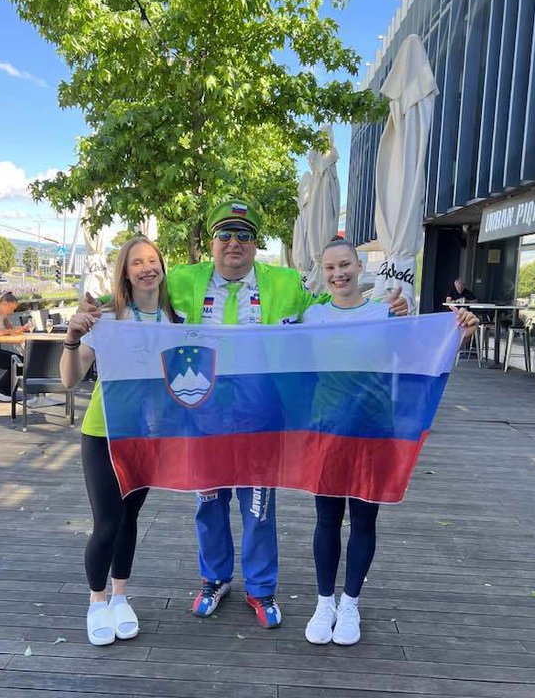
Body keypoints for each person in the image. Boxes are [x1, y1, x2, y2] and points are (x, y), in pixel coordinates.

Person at [303, 239, 479, 646]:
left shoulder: (386, 312)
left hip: (374, 429)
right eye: (329, 268)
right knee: (326, 520)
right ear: (322, 270)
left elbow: (424, 354)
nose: (337, 274)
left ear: (360, 264)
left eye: (344, 265)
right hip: (326, 428)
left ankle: (350, 603)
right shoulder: (312, 315)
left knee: (364, 520)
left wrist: (461, 333)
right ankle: (323, 602)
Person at [166, 199, 324, 628]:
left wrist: (384, 307)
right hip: (203, 410)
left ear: (256, 244)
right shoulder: (182, 279)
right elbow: (135, 297)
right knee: (209, 500)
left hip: (260, 411)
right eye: (225, 234)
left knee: (258, 504)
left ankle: (261, 588)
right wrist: (96, 310)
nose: (234, 243)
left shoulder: (287, 282)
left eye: (244, 235)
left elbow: (330, 305)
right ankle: (214, 579)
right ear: (212, 242)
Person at [60, 236, 177, 646]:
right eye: (137, 262)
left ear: (162, 266)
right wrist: (72, 339)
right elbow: (70, 379)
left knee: (130, 520)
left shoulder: (176, 318)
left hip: (147, 437)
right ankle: (96, 602)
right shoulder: (106, 319)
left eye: (152, 260)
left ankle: (120, 597)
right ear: (125, 273)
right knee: (107, 523)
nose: (147, 267)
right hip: (103, 434)